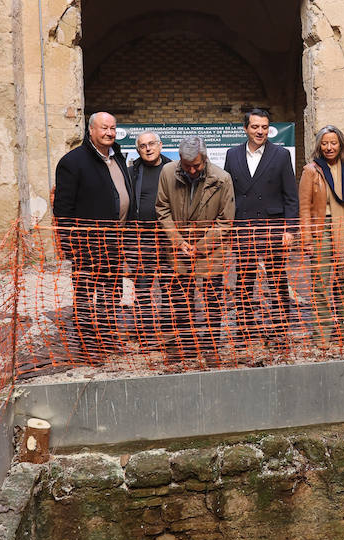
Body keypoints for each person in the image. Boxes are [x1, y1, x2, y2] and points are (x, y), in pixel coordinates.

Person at [52, 111, 136, 352]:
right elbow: (63, 209)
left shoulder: (117, 156)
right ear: (91, 130)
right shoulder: (73, 162)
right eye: (103, 128)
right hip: (86, 245)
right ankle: (87, 342)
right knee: (86, 295)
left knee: (112, 292)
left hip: (115, 242)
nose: (109, 132)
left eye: (112, 128)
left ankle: (108, 336)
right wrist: (68, 245)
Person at [156, 135, 235, 362]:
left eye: (197, 166)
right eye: (187, 166)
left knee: (212, 300)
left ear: (205, 159)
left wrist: (200, 246)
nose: (191, 171)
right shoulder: (168, 173)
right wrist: (178, 241)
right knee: (181, 299)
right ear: (179, 159)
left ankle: (210, 346)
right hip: (178, 248)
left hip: (211, 250)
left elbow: (225, 220)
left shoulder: (222, 179)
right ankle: (186, 344)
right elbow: (162, 209)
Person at [224, 107, 299, 341]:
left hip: (273, 228)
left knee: (277, 279)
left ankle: (280, 326)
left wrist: (290, 229)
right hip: (243, 228)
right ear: (245, 128)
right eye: (255, 127)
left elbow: (291, 196)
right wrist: (228, 228)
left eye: (264, 127)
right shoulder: (232, 154)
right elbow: (228, 194)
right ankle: (246, 327)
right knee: (245, 280)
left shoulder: (281, 155)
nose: (260, 131)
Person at [298, 125, 344, 349]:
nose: (329, 147)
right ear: (319, 145)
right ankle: (322, 335)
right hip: (322, 229)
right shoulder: (311, 171)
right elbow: (305, 208)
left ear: (340, 145)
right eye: (324, 143)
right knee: (321, 284)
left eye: (333, 143)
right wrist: (306, 239)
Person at [126, 131, 170, 349]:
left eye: (152, 144)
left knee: (169, 286)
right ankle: (144, 331)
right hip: (141, 239)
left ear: (160, 145)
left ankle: (169, 330)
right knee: (143, 287)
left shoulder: (173, 169)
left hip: (168, 239)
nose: (148, 148)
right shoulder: (132, 172)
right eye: (143, 146)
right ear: (138, 150)